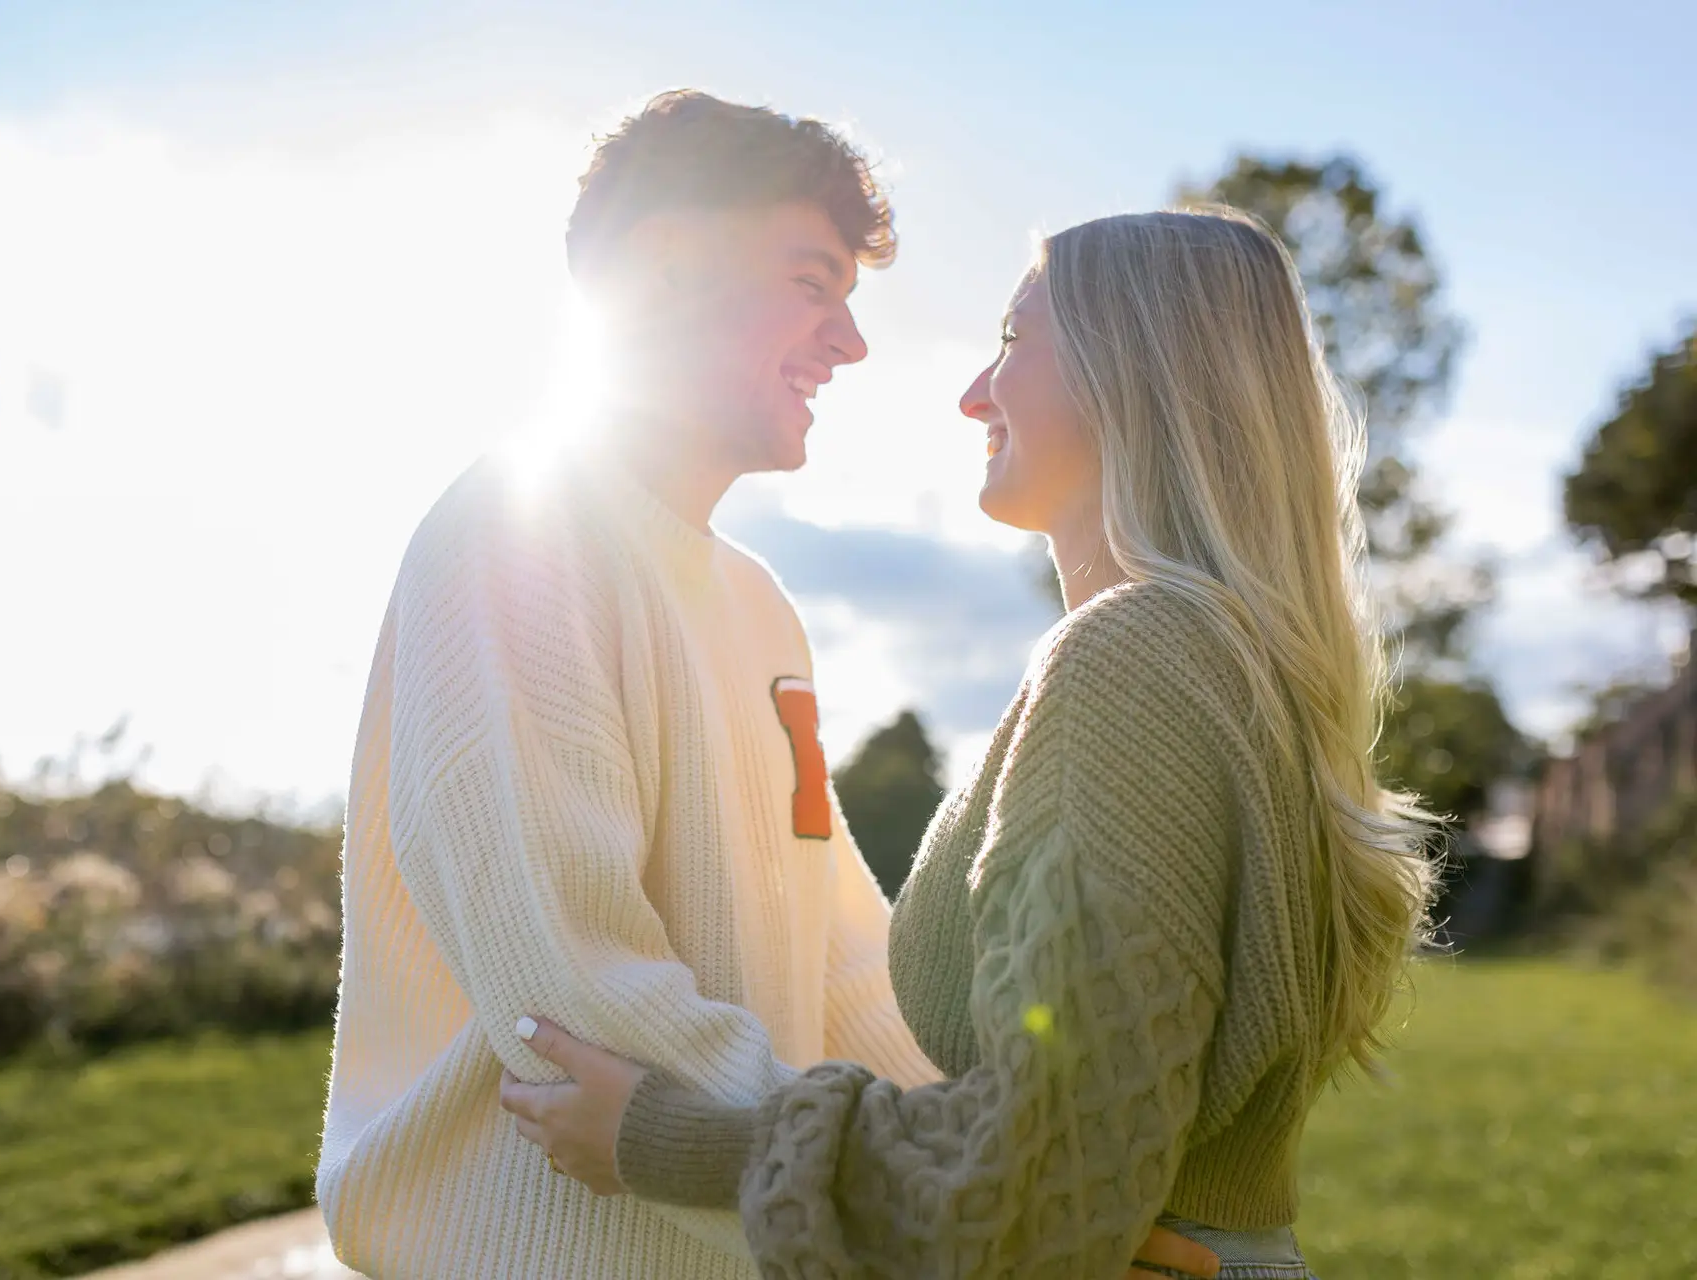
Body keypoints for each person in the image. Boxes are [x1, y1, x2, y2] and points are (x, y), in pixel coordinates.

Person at [316, 93, 1218, 1280]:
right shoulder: (514, 537)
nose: (849, 341)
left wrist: (1006, 1188)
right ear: (663, 268)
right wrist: (926, 1222)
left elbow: (845, 965)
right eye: (810, 282)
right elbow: (573, 994)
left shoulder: (757, 606)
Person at [499, 208, 1440, 1280]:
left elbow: (1049, 1170)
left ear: (1128, 370)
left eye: (1012, 338)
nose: (974, 393)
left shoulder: (1136, 657)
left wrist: (675, 1139)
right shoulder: (1238, 665)